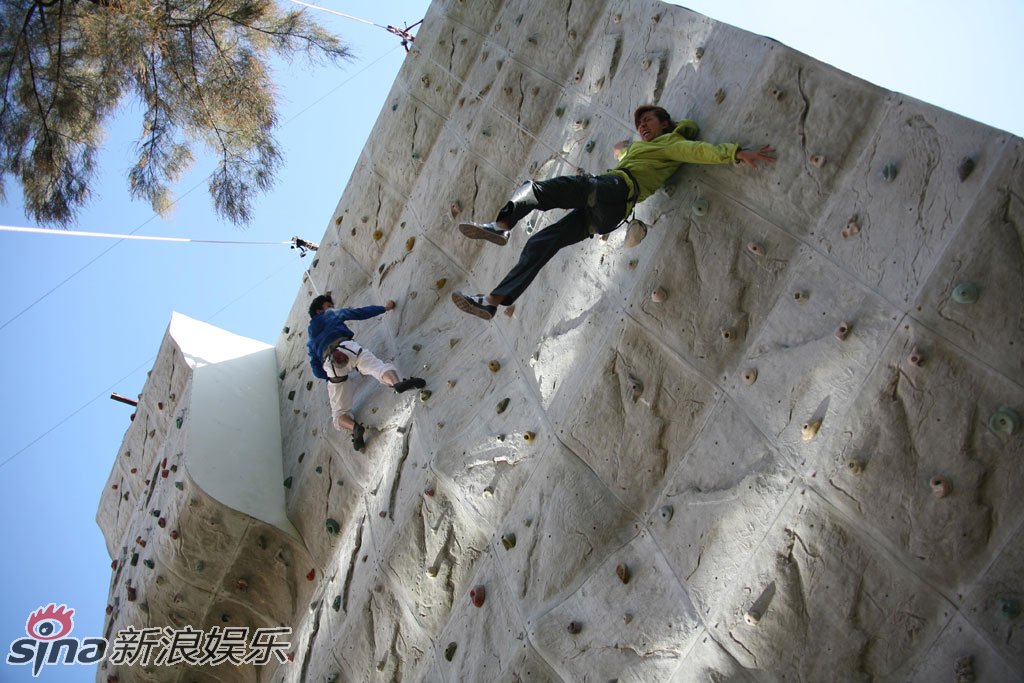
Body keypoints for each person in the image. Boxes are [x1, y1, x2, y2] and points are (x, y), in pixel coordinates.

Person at [451, 105, 776, 319]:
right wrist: (624, 153)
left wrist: (735, 153)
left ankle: (501, 224)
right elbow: (635, 155)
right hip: (607, 214)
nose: (642, 126)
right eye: (639, 124)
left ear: (665, 123)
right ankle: (492, 301)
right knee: (540, 244)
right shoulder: (643, 150)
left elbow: (695, 150)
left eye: (648, 120)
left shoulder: (667, 143)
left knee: (536, 190)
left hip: (612, 190)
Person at [306, 294, 425, 451]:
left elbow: (315, 368)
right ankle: (397, 383)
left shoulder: (311, 341)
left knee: (339, 414)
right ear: (319, 311)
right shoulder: (330, 314)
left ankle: (355, 428)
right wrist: (385, 308)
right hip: (348, 346)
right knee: (379, 367)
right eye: (329, 305)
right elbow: (358, 313)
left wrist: (331, 377)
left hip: (330, 363)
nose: (332, 307)